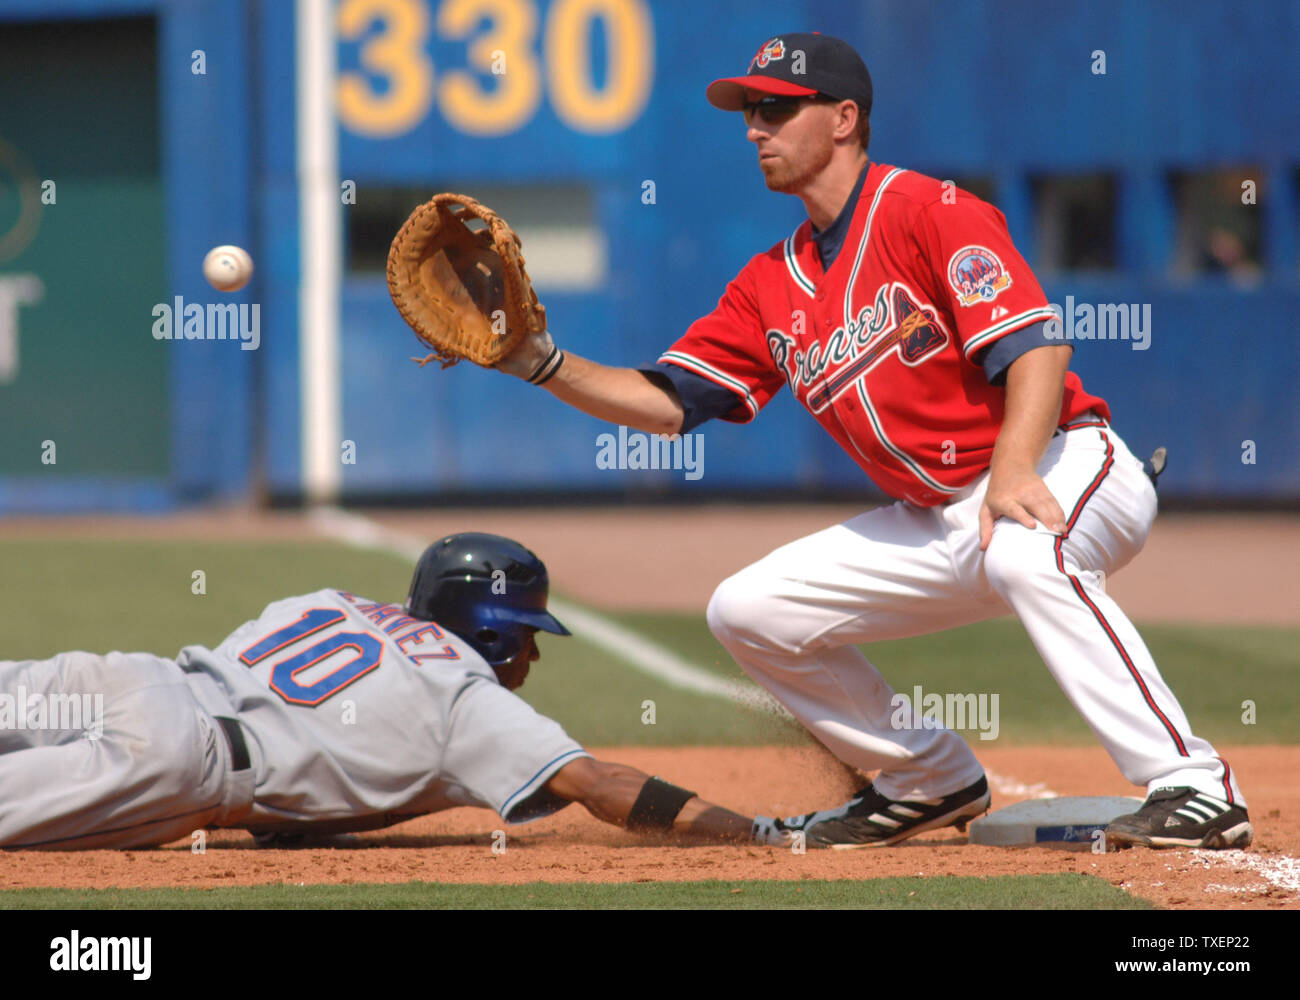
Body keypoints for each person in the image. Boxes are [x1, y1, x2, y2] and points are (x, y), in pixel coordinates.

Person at [494, 33, 1251, 851]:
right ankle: (927, 779)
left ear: (844, 118)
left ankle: (1195, 785)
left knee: (1027, 554)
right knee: (747, 610)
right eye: (751, 110)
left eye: (777, 109)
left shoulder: (930, 210)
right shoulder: (768, 283)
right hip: (942, 515)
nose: (755, 127)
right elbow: (671, 403)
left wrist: (1013, 467)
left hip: (1065, 463)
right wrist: (542, 363)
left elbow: (1036, 346)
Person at [0, 533, 760, 850]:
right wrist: (755, 835)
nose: (532, 652)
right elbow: (602, 785)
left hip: (131, 678)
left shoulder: (335, 601)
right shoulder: (468, 700)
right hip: (174, 760)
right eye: (527, 632)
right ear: (491, 630)